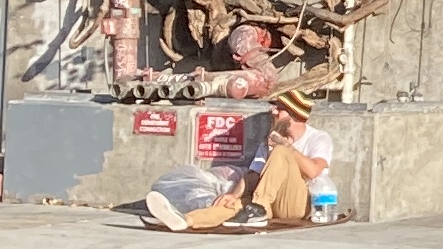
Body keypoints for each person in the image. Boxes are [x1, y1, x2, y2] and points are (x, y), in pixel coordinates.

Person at [142, 87, 332, 232]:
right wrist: (234, 194)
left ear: (294, 115)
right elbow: (253, 175)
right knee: (232, 205)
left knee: (281, 153)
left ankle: (259, 209)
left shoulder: (318, 138)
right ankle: (185, 220)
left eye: (280, 109)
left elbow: (313, 171)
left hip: (298, 205)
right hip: (267, 201)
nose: (273, 113)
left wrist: (286, 147)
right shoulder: (270, 140)